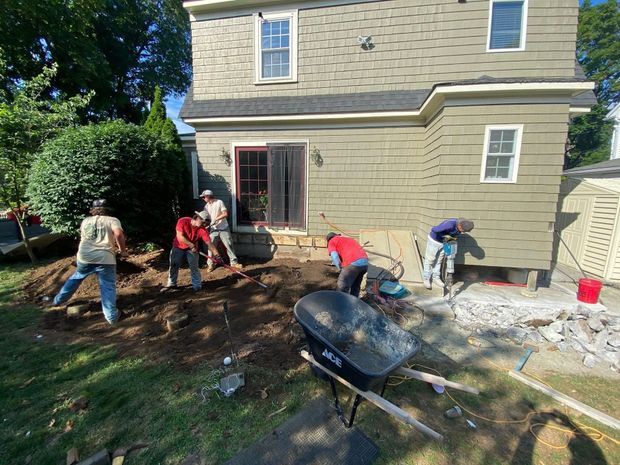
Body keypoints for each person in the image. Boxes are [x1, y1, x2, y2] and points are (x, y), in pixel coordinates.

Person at [53, 199, 127, 324]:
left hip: (84, 256)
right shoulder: (112, 220)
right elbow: (118, 234)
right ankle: (112, 317)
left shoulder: (85, 221)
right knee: (107, 286)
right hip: (104, 258)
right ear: (107, 209)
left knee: (76, 277)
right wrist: (123, 250)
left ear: (93, 210)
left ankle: (58, 300)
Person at [164, 211, 221, 292]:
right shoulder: (183, 221)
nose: (204, 225)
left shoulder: (202, 230)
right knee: (174, 265)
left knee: (194, 267)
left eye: (205, 224)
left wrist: (217, 256)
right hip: (178, 246)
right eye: (203, 222)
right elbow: (180, 237)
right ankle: (172, 284)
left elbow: (210, 244)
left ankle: (197, 286)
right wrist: (191, 245)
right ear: (197, 218)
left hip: (192, 249)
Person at [422, 218, 474, 290]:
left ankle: (436, 278)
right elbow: (434, 229)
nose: (463, 232)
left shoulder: (460, 228)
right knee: (430, 260)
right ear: (459, 226)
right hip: (434, 241)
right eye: (463, 230)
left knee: (439, 260)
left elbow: (453, 236)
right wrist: (445, 236)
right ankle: (426, 278)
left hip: (445, 243)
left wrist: (450, 241)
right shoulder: (449, 224)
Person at [200, 189, 242, 271]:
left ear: (208, 196)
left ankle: (234, 262)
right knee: (211, 246)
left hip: (223, 228)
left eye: (204, 197)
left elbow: (225, 214)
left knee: (229, 245)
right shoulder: (206, 207)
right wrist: (205, 223)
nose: (203, 198)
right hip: (213, 229)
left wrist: (216, 219)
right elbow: (206, 218)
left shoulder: (219, 202)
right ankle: (211, 264)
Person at [326, 232, 369, 297]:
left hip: (352, 264)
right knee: (355, 287)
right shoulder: (349, 239)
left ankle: (341, 305)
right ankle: (354, 304)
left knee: (342, 287)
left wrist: (340, 268)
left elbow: (334, 256)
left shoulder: (332, 241)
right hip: (365, 264)